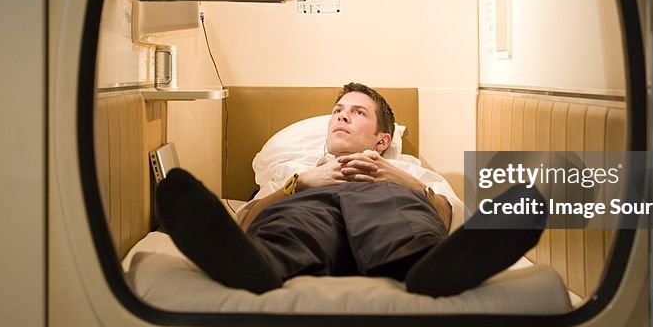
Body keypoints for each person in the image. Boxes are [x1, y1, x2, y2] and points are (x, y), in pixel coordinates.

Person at [156, 82, 544, 296]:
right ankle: (263, 266)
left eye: (358, 112)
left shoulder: (407, 169)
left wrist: (400, 180)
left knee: (399, 214)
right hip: (313, 199)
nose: (342, 115)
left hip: (386, 196)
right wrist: (299, 185)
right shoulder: (298, 171)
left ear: (381, 140)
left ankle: (426, 267)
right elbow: (246, 218)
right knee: (290, 224)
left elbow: (452, 219)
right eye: (339, 109)